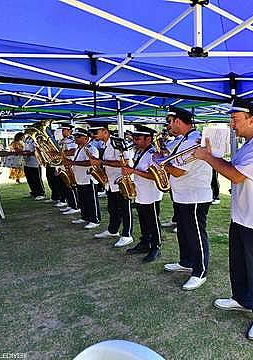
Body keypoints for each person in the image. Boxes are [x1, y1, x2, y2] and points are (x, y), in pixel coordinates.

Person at [194, 99, 253, 341]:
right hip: (242, 214)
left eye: (236, 119)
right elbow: (232, 167)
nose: (232, 124)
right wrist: (212, 156)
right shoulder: (249, 144)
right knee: (239, 262)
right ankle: (242, 299)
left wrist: (207, 157)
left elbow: (236, 175)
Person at [162, 106, 213, 291]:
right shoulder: (183, 139)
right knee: (183, 232)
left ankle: (200, 272)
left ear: (177, 121)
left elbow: (178, 171)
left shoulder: (194, 141)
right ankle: (186, 262)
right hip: (182, 194)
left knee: (196, 234)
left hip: (195, 196)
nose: (169, 126)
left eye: (170, 121)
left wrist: (161, 163)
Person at [88, 122, 134, 247]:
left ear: (104, 131)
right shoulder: (105, 144)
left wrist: (101, 161)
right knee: (112, 208)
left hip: (121, 182)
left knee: (125, 209)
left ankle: (127, 234)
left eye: (95, 132)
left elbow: (125, 163)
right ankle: (113, 230)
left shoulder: (118, 143)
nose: (93, 135)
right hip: (111, 182)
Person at [121, 125, 164, 262]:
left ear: (148, 139)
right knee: (143, 221)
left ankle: (156, 247)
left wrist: (133, 172)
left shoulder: (153, 154)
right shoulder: (139, 152)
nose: (134, 141)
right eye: (134, 138)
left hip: (151, 194)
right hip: (141, 192)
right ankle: (145, 243)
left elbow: (154, 176)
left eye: (137, 138)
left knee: (153, 221)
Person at [70, 127, 100, 229]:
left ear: (86, 138)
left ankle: (95, 219)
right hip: (80, 178)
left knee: (91, 200)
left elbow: (91, 162)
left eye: (78, 137)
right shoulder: (79, 148)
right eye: (75, 136)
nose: (76, 138)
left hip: (89, 178)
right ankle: (85, 217)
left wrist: (73, 163)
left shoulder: (91, 148)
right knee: (82, 200)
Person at [57, 123, 81, 215]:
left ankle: (75, 206)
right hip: (63, 165)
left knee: (71, 186)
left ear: (70, 131)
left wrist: (61, 153)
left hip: (69, 166)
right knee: (66, 187)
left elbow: (73, 152)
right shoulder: (63, 140)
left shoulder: (71, 140)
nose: (62, 132)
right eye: (62, 130)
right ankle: (70, 204)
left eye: (64, 130)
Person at [22, 128, 46, 201]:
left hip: (35, 162)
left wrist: (30, 153)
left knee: (37, 178)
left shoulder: (35, 139)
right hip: (27, 162)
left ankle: (41, 193)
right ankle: (34, 191)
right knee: (30, 178)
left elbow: (38, 150)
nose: (26, 132)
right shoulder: (26, 139)